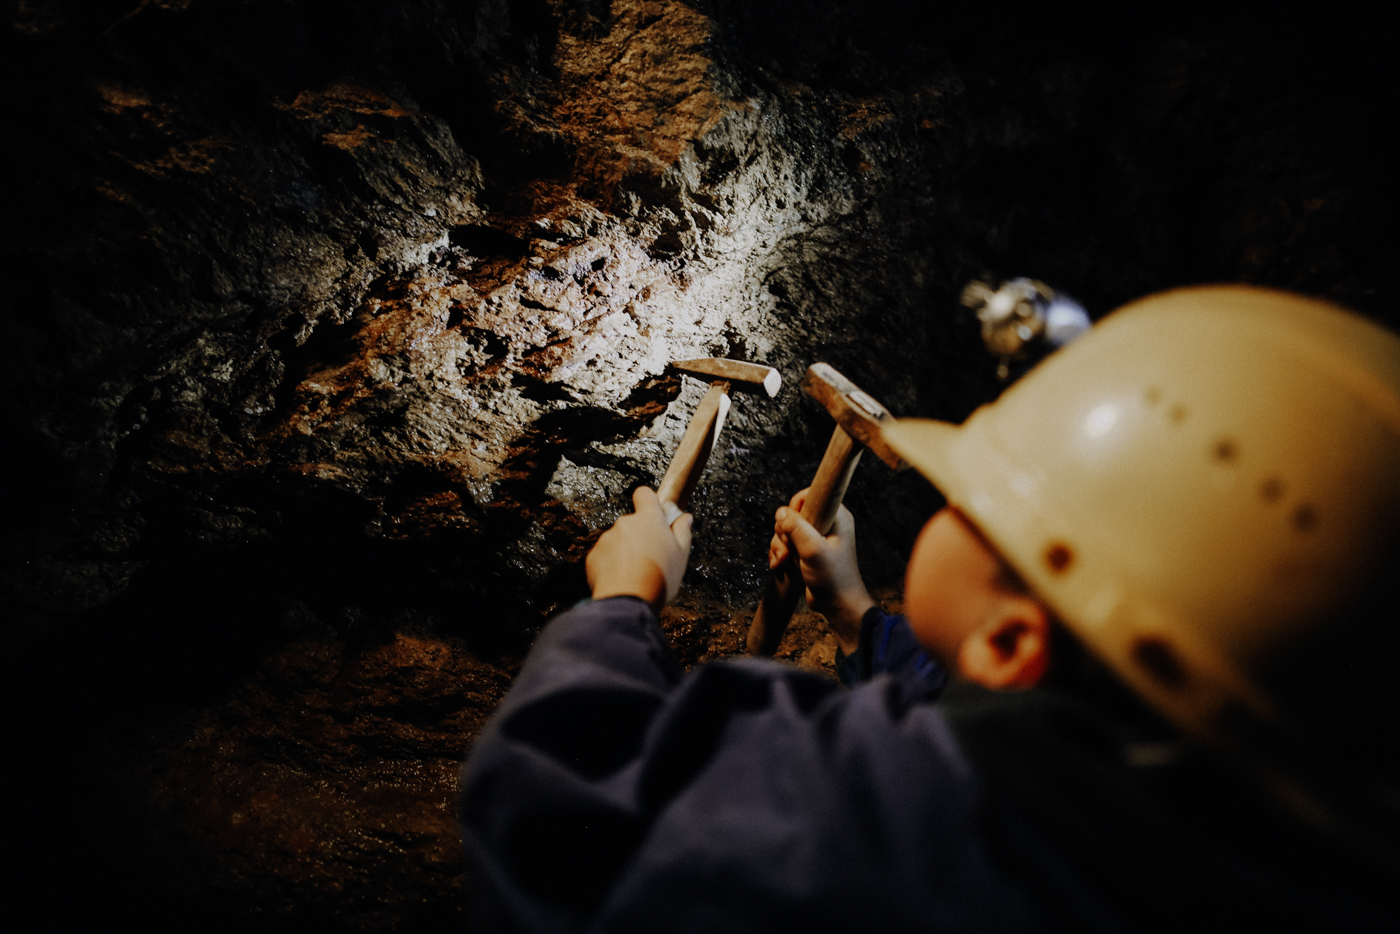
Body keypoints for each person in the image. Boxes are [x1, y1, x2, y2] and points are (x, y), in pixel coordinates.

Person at [459, 285, 1400, 932]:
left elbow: (549, 810)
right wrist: (861, 616)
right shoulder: (1234, 819)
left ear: (1015, 639)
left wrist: (624, 598)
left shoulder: (870, 825)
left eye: (974, 504)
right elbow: (996, 705)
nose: (955, 503)